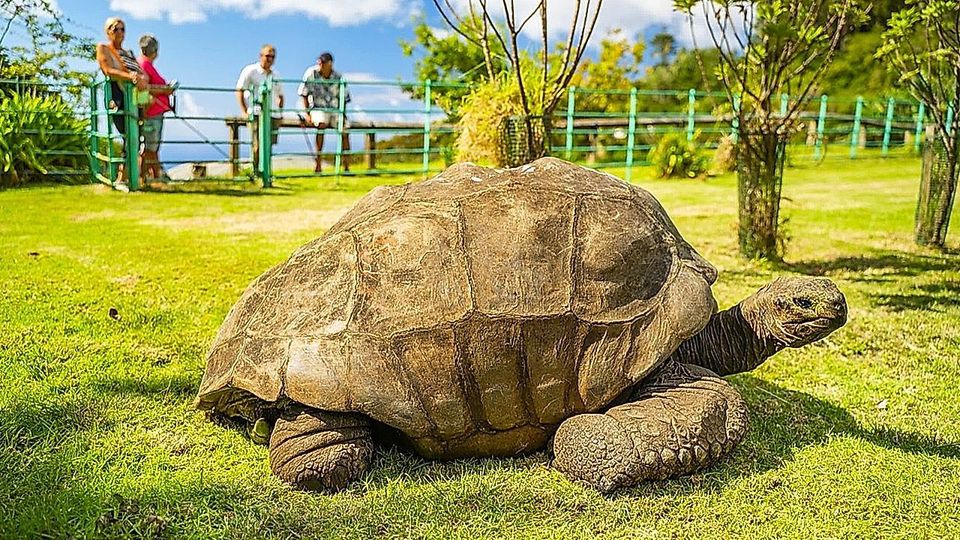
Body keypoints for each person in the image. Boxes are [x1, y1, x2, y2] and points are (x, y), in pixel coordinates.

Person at [95, 16, 148, 187]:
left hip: (135, 100)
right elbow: (108, 70)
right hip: (119, 98)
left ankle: (129, 176)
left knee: (135, 138)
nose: (119, 32)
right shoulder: (104, 48)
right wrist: (131, 77)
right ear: (107, 31)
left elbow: (140, 73)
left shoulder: (129, 53)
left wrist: (141, 80)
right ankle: (122, 177)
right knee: (127, 136)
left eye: (122, 29)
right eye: (114, 28)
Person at [298, 51, 351, 173]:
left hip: (336, 110)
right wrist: (307, 113)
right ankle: (318, 164)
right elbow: (304, 93)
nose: (320, 64)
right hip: (317, 108)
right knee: (321, 124)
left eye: (323, 62)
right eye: (319, 62)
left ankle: (346, 166)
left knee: (345, 129)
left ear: (330, 64)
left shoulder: (339, 77)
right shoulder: (312, 73)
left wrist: (342, 113)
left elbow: (345, 98)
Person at [236, 45, 284, 173]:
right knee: (257, 144)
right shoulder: (251, 71)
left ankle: (266, 171)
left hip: (273, 114)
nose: (270, 59)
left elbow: (280, 95)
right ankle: (257, 171)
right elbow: (239, 90)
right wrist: (244, 110)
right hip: (256, 112)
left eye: (272, 57)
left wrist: (280, 111)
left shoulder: (276, 75)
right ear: (261, 56)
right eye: (267, 56)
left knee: (269, 145)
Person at [138, 34, 176, 184]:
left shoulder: (145, 65)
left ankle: (151, 177)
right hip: (151, 113)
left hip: (154, 112)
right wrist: (165, 90)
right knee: (150, 148)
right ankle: (154, 177)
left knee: (150, 148)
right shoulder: (144, 65)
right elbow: (145, 87)